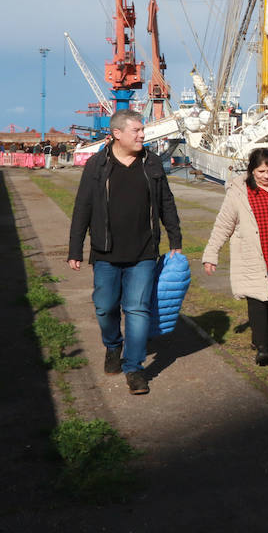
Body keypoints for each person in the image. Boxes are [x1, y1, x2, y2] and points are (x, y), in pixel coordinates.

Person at [68, 109, 183, 395]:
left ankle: (134, 368)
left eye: (143, 130)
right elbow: (83, 207)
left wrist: (175, 240)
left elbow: (166, 203)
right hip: (106, 252)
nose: (143, 135)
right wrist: (75, 249)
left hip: (144, 252)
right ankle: (112, 345)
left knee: (137, 309)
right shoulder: (97, 165)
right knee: (105, 306)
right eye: (137, 131)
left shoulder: (152, 163)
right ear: (117, 134)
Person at [202, 148, 268, 366]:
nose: (267, 175)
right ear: (252, 171)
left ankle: (266, 333)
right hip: (253, 257)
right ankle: (262, 348)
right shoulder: (239, 192)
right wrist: (211, 253)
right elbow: (224, 224)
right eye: (261, 171)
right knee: (259, 302)